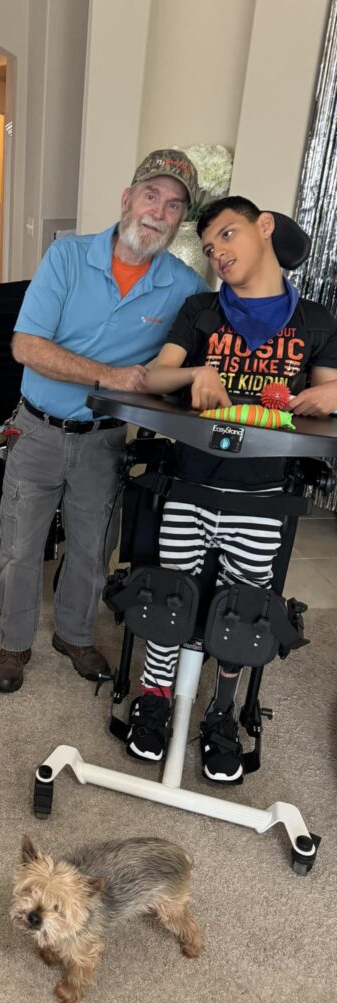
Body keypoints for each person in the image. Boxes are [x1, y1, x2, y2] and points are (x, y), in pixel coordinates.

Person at [124, 195, 337, 783]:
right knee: (170, 600)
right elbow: (155, 376)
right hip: (191, 484)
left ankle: (221, 716)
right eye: (212, 246)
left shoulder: (313, 321)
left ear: (263, 227)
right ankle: (156, 700)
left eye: (229, 235)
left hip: (262, 496)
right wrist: (196, 371)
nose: (220, 253)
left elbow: (331, 392)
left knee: (242, 613)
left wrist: (331, 394)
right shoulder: (201, 312)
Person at [0, 149, 210, 694]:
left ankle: (74, 634)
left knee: (92, 548)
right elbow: (25, 346)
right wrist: (111, 376)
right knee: (20, 547)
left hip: (105, 440)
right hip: (37, 429)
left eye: (174, 205)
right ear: (127, 199)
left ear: (180, 221)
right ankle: (14, 644)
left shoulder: (182, 286)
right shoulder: (67, 258)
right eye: (151, 196)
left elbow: (208, 345)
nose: (159, 212)